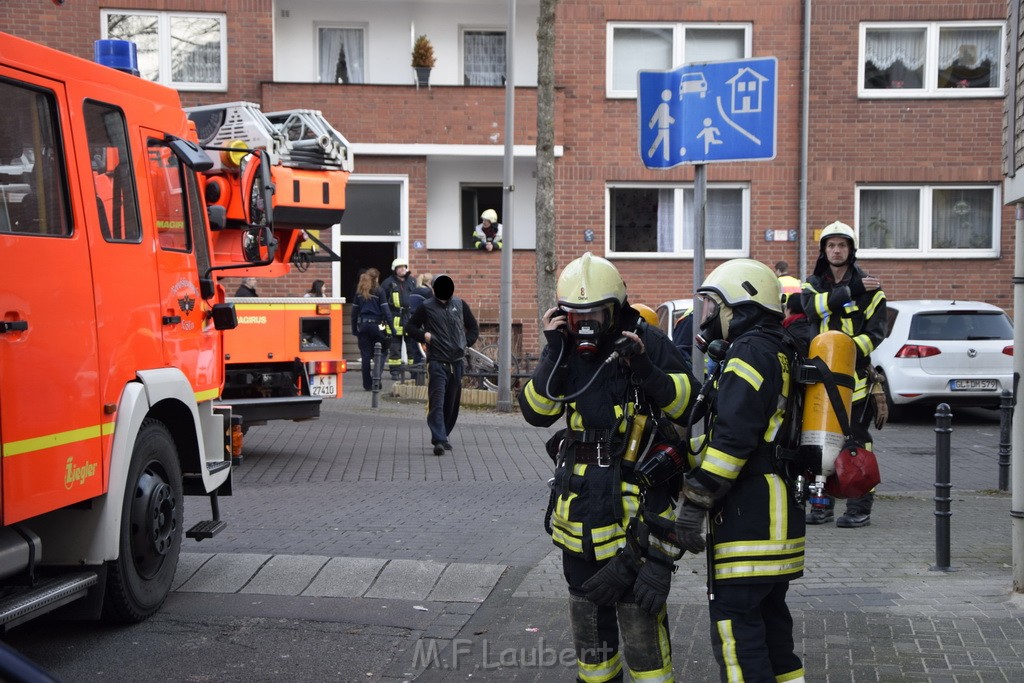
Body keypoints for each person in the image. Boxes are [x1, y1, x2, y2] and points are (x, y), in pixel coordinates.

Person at [518, 252, 696, 683]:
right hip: (577, 505)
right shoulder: (562, 350)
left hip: (631, 502)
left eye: (595, 313)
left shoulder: (645, 341)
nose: (586, 323)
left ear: (615, 309)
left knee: (639, 618)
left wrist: (644, 367)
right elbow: (536, 411)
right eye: (575, 315)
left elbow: (687, 403)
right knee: (588, 616)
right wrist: (553, 350)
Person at [674, 258, 806, 683]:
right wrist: (683, 453)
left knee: (737, 637)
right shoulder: (779, 348)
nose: (710, 317)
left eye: (717, 307)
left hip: (750, 518)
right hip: (778, 515)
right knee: (773, 635)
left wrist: (695, 498)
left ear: (742, 307)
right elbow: (756, 433)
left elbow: (732, 442)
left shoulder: (748, 351)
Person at [801, 221, 886, 528]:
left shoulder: (872, 289)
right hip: (818, 379)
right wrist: (851, 291)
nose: (836, 250)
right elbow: (811, 310)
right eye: (831, 245)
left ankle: (859, 506)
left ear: (851, 250)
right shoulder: (813, 283)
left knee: (856, 444)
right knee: (815, 441)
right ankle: (820, 505)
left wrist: (847, 355)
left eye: (842, 245)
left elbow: (876, 332)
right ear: (824, 250)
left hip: (856, 380)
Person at [406, 274, 479, 456]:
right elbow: (410, 327)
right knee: (437, 402)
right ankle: (438, 440)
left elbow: (473, 328)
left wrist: (464, 343)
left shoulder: (460, 305)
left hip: (456, 363)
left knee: (451, 403)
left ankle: (444, 434)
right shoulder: (426, 307)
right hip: (437, 362)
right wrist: (425, 336)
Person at [350, 270, 393, 392]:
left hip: (363, 326)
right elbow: (386, 312)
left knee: (365, 357)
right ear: (377, 278)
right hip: (378, 326)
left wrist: (354, 329)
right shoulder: (379, 291)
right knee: (383, 351)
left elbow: (354, 313)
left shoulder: (360, 292)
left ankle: (367, 384)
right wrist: (392, 329)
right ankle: (376, 378)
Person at [381, 257, 421, 379]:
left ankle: (414, 372)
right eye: (399, 267)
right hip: (394, 319)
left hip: (409, 318)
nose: (402, 269)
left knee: (412, 348)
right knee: (394, 348)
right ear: (395, 269)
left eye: (404, 267)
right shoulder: (387, 283)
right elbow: (382, 302)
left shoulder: (412, 281)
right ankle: (395, 372)